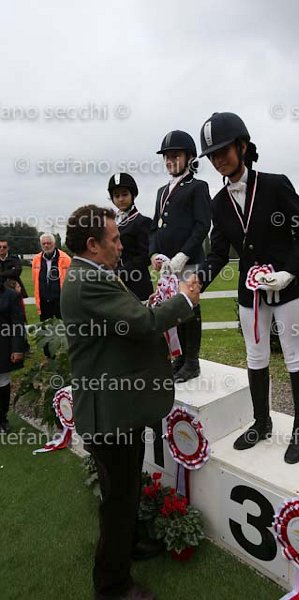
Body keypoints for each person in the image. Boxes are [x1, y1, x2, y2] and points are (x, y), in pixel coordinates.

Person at [61, 204, 200, 600]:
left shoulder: (91, 274)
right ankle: (113, 585)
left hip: (116, 409)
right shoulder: (89, 280)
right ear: (93, 244)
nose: (121, 245)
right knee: (119, 501)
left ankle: (130, 544)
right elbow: (143, 323)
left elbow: (127, 320)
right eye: (115, 239)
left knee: (125, 491)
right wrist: (184, 301)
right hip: (111, 415)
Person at [197, 112, 299, 464]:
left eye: (223, 151)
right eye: (212, 155)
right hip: (250, 291)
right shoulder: (218, 203)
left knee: (294, 356)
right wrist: (196, 282)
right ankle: (261, 422)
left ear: (243, 146)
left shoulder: (276, 185)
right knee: (255, 357)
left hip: (288, 286)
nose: (218, 160)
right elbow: (218, 253)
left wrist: (289, 272)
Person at [149, 130, 211, 382]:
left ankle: (192, 361)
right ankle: (180, 358)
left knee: (190, 309)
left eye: (175, 155)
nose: (170, 161)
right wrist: (154, 253)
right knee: (174, 309)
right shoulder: (161, 191)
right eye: (167, 157)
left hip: (189, 261)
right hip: (167, 266)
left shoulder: (198, 187)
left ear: (189, 158)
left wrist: (183, 255)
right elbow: (155, 227)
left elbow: (202, 225)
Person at [108, 173, 153, 301]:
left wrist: (122, 272)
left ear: (132, 195)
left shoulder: (143, 222)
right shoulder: (111, 223)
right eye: (116, 196)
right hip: (115, 285)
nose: (121, 199)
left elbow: (145, 257)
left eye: (124, 194)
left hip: (138, 284)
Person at [0, 276, 26, 433]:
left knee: (2, 383)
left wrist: (17, 349)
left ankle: (2, 418)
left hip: (2, 347)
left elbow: (18, 324)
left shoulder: (11, 296)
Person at [32, 233, 71, 320]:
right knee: (45, 327)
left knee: (61, 326)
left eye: (48, 243)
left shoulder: (66, 259)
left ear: (54, 244)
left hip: (60, 301)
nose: (46, 245)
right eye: (44, 243)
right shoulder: (36, 259)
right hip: (43, 301)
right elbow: (35, 281)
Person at [0, 240, 28, 313]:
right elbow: (13, 272)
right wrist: (11, 271)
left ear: (8, 248)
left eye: (4, 247)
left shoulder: (14, 258)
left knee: (17, 311)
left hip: (14, 289)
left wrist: (1, 274)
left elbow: (17, 271)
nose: (2, 248)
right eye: (0, 247)